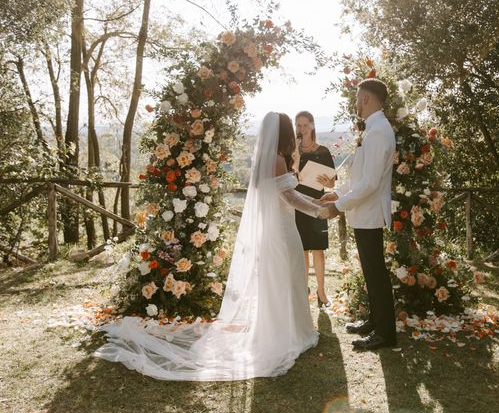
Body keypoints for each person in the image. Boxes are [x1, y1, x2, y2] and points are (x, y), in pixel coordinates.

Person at [94, 112, 330, 381]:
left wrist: (314, 197)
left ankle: (288, 331)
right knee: (286, 281)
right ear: (285, 133)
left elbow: (287, 193)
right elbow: (290, 196)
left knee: (283, 282)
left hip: (279, 231)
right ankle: (290, 334)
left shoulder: (270, 159)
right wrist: (319, 211)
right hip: (283, 233)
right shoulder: (276, 159)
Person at [319, 79, 397, 351]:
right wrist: (337, 194)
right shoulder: (374, 128)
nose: (355, 102)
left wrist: (337, 207)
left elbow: (371, 183)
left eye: (356, 97)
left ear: (365, 97)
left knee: (376, 273)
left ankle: (386, 334)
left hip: (369, 213)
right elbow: (359, 177)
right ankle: (375, 322)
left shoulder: (378, 131)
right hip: (363, 212)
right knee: (371, 270)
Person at [294, 111, 336, 308]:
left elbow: (332, 184)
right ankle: (304, 290)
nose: (301, 129)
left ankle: (321, 290)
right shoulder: (293, 151)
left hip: (317, 203)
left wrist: (329, 181)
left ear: (312, 126)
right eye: (298, 125)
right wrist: (295, 153)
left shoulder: (324, 151)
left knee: (318, 249)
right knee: (301, 249)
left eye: (304, 125)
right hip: (297, 203)